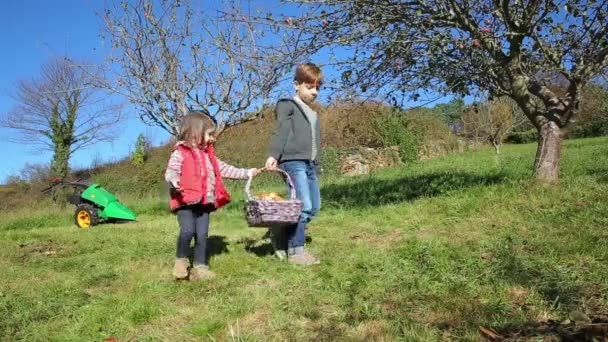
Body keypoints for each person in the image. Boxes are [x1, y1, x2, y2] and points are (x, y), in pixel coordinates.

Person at [165, 112, 258, 281]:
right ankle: (181, 260)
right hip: (184, 202)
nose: (212, 139)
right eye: (209, 134)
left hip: (204, 203)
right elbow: (171, 170)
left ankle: (200, 267)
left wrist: (247, 173)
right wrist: (174, 181)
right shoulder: (180, 152)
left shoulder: (209, 155)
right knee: (187, 231)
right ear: (195, 132)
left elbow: (226, 169)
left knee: (202, 235)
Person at [265, 63, 323, 266]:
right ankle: (296, 252)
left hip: (310, 164)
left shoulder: (312, 113)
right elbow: (280, 131)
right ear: (296, 84)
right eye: (309, 86)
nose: (314, 92)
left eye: (318, 87)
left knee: (314, 207)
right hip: (292, 161)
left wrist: (316, 162)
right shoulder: (287, 105)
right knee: (302, 206)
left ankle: (279, 233)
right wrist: (273, 154)